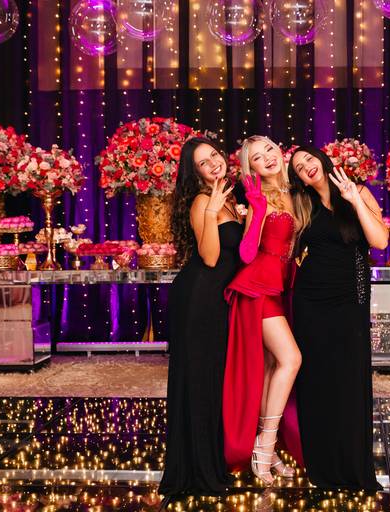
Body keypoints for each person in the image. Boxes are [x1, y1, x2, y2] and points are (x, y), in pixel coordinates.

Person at [288, 145, 388, 490]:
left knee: (350, 380)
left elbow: (379, 241)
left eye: (308, 159)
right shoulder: (303, 205)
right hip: (311, 302)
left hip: (350, 300)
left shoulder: (358, 191)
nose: (306, 166)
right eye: (298, 167)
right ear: (299, 179)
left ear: (322, 160)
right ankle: (322, 465)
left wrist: (354, 199)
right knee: (318, 381)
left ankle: (353, 464)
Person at [160, 137, 242, 495]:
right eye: (203, 163)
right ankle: (201, 475)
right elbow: (210, 258)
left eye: (214, 155)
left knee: (213, 382)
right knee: (200, 383)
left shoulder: (229, 197)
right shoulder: (202, 200)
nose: (213, 163)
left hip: (215, 298)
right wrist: (211, 211)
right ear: (195, 174)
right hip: (198, 299)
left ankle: (210, 466)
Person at [222, 135, 305, 485]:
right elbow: (245, 254)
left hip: (280, 286)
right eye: (257, 157)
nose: (267, 157)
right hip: (257, 287)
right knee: (291, 359)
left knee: (271, 367)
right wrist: (256, 210)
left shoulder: (294, 191)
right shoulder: (261, 197)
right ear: (251, 168)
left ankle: (268, 452)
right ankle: (264, 446)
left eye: (269, 149)